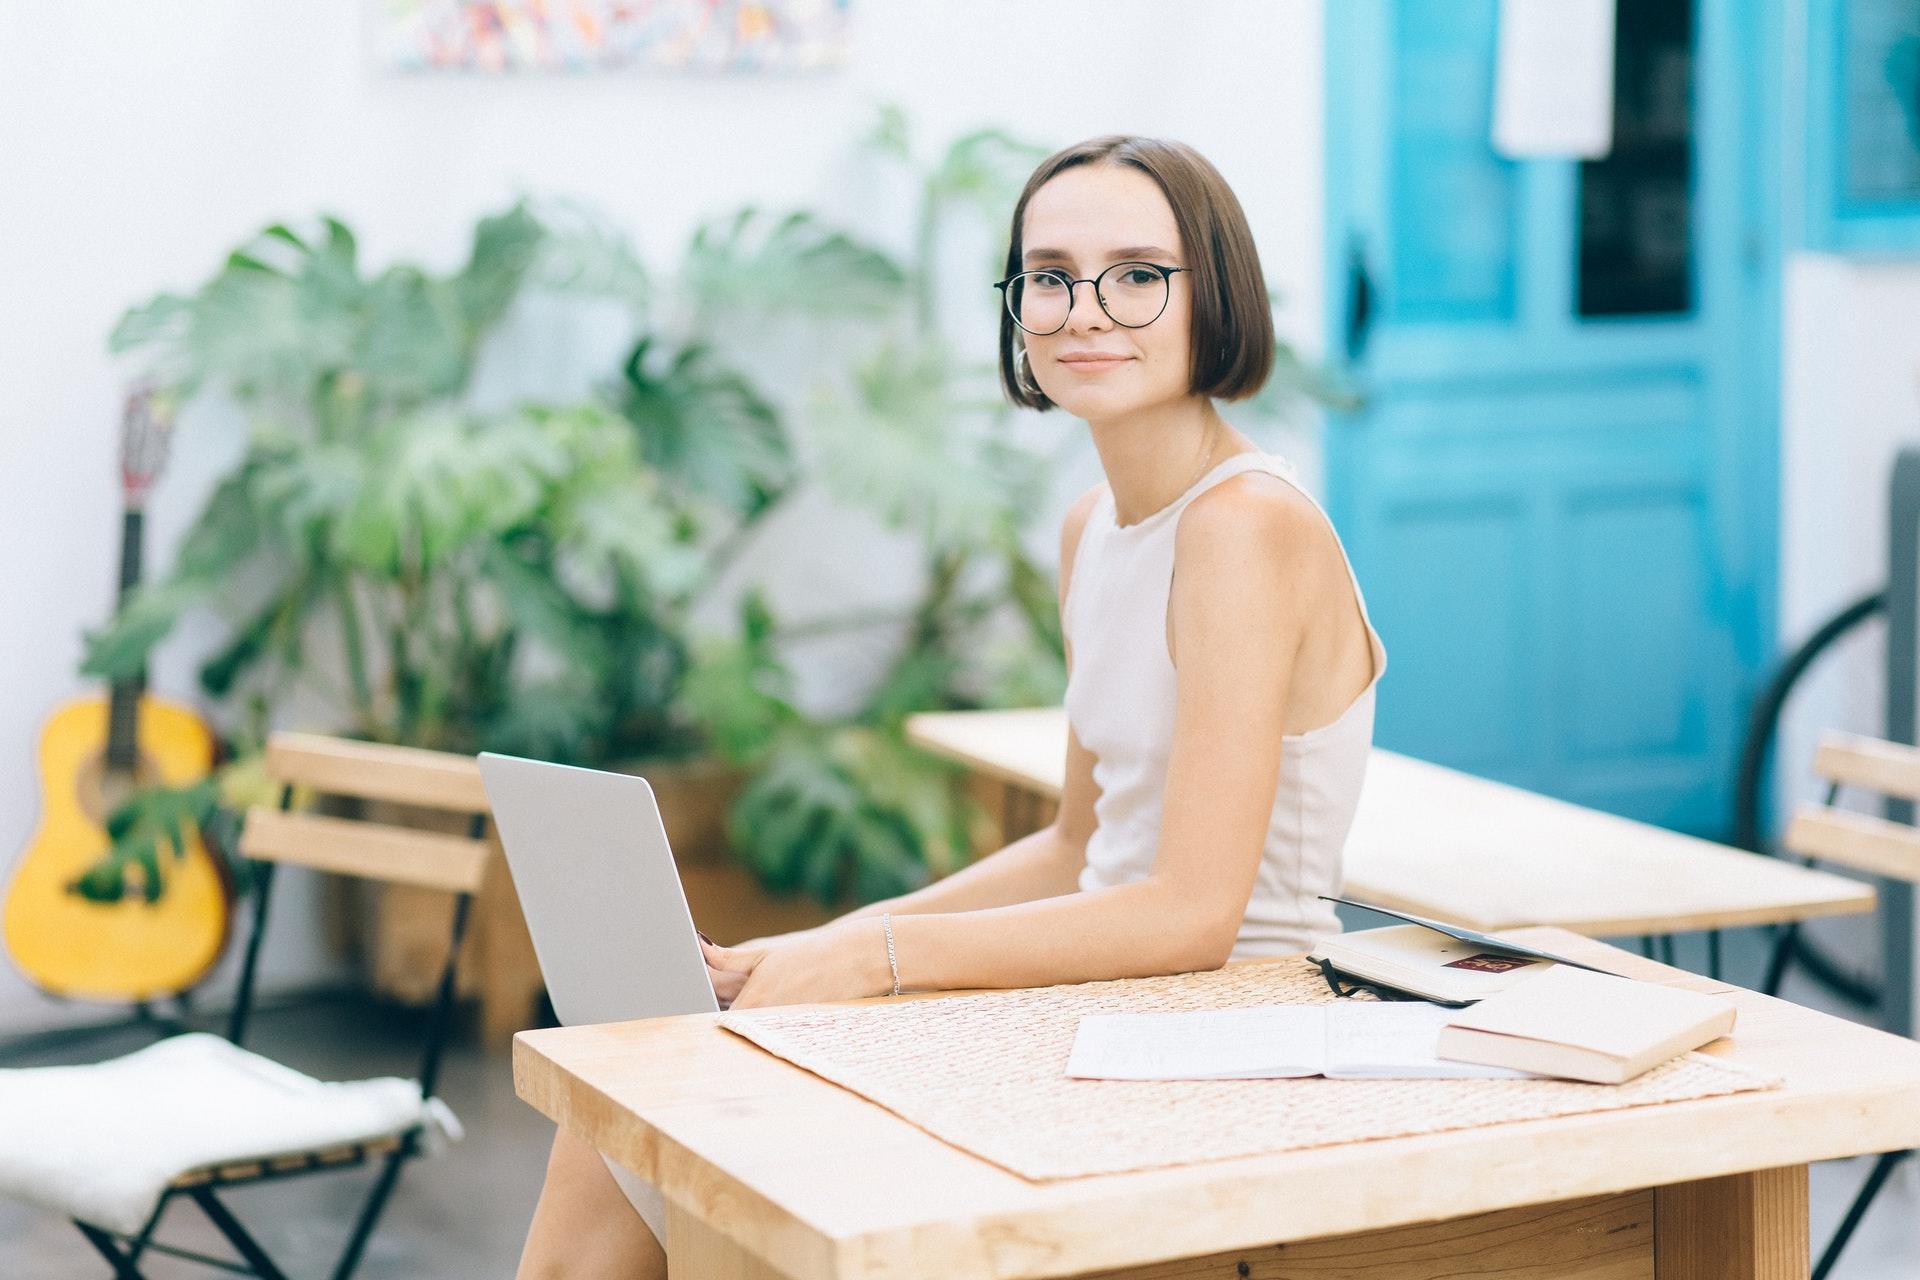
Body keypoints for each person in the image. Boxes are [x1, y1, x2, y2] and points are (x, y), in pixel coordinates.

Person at [514, 134, 1386, 1279]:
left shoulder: (1245, 526)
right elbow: (1077, 845)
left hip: (1232, 1019)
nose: (1085, 310)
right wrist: (817, 948)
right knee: (627, 1096)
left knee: (720, 1124)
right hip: (1112, 996)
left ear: (1213, 292)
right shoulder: (1093, 527)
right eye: (1050, 276)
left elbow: (1191, 914)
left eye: (1136, 274)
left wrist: (876, 955)